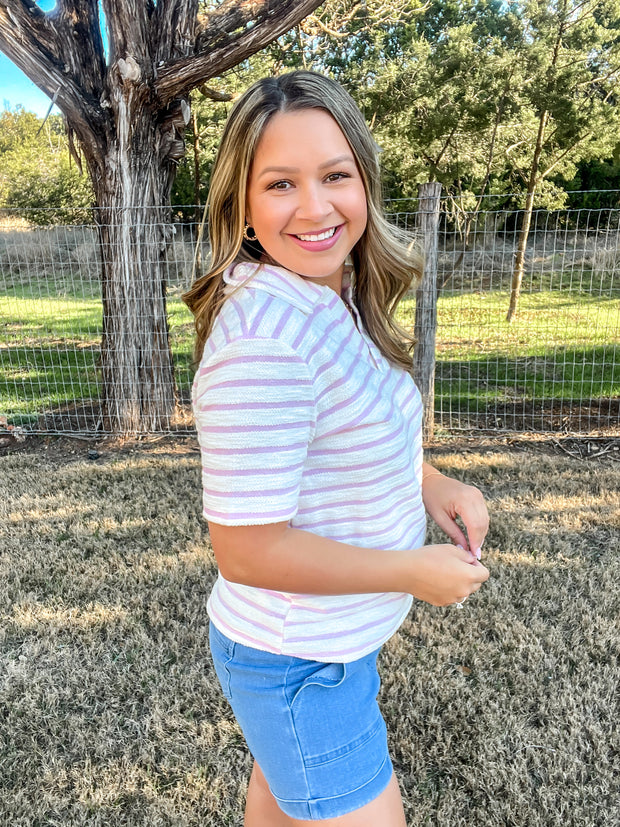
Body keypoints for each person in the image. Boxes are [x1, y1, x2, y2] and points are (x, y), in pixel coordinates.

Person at [183, 70, 489, 827]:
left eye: (335, 175)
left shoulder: (330, 289)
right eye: (281, 183)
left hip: (323, 650)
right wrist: (409, 571)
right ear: (243, 204)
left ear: (364, 179)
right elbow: (247, 550)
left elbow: (363, 427)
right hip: (298, 665)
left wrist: (434, 483)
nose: (315, 208)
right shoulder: (264, 342)